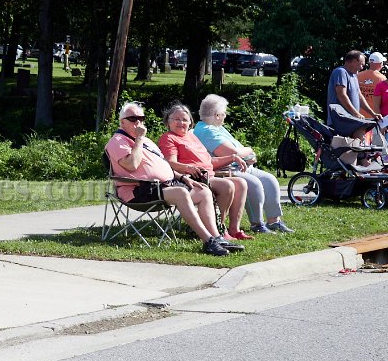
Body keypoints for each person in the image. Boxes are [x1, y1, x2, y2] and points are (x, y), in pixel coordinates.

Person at [105, 102, 237, 257]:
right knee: (180, 193)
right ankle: (208, 242)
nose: (138, 122)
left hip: (163, 186)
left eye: (141, 118)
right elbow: (132, 164)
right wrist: (139, 138)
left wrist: (183, 177)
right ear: (122, 122)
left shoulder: (147, 141)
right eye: (133, 119)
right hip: (138, 191)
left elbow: (163, 165)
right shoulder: (118, 141)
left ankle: (217, 237)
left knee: (203, 191)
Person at [194, 94, 294, 235]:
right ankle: (257, 224)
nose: (225, 116)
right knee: (254, 183)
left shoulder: (217, 127)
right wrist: (250, 150)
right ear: (216, 115)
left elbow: (239, 151)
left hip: (242, 166)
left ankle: (274, 221)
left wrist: (246, 155)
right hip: (226, 170)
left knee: (270, 180)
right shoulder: (206, 131)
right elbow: (232, 152)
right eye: (224, 113)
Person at [157, 103, 253, 241]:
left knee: (241, 183)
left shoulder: (192, 137)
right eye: (176, 119)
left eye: (185, 119)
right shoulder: (168, 138)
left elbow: (209, 162)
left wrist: (232, 158)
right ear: (168, 121)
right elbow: (169, 163)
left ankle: (234, 229)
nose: (181, 123)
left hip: (207, 175)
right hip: (191, 178)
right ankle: (218, 229)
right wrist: (188, 168)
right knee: (227, 186)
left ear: (190, 123)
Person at [326, 50, 378, 140]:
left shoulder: (354, 75)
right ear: (354, 61)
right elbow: (341, 95)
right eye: (361, 64)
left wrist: (373, 114)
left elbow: (359, 97)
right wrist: (356, 113)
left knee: (359, 143)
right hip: (340, 122)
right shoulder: (341, 72)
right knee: (345, 147)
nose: (362, 68)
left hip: (351, 122)